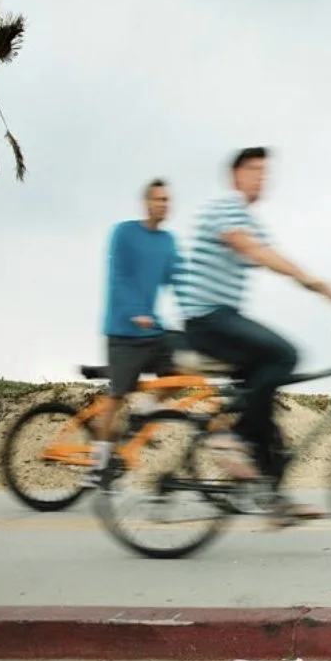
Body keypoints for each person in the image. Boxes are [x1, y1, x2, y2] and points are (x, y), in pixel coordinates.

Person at [174, 146, 331, 525]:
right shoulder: (227, 207)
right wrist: (314, 281)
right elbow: (251, 248)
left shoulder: (249, 219)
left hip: (223, 318)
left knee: (266, 410)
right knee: (285, 355)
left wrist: (324, 290)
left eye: (265, 172)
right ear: (235, 176)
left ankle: (272, 499)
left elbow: (274, 255)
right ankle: (230, 438)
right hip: (206, 319)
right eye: (254, 170)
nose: (262, 178)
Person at [87, 178, 183, 487]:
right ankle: (96, 466)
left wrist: (201, 309)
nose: (163, 204)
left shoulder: (168, 241)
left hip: (153, 331)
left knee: (181, 369)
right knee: (116, 398)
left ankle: (145, 411)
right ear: (146, 203)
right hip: (123, 331)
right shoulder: (124, 233)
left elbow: (178, 280)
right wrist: (134, 312)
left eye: (167, 200)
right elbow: (119, 277)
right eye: (158, 199)